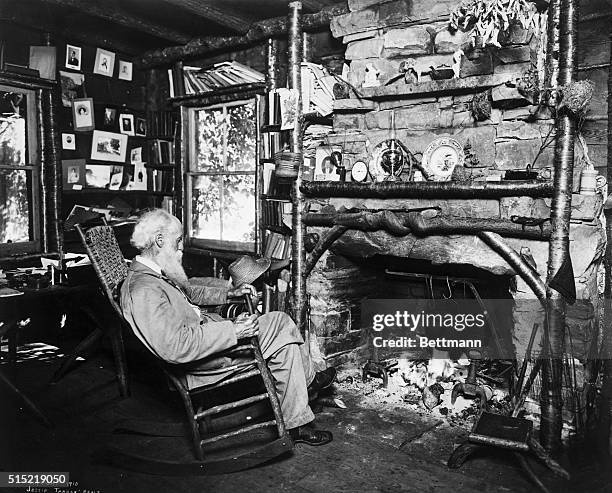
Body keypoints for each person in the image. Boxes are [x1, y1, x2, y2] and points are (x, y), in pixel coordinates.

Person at [120, 209, 335, 446]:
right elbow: (175, 346)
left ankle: (298, 416)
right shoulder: (142, 290)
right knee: (280, 323)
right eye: (178, 240)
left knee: (284, 343)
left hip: (209, 340)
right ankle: (308, 383)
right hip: (201, 363)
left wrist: (229, 293)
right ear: (160, 240)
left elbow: (190, 291)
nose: (181, 248)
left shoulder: (153, 274)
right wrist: (235, 331)